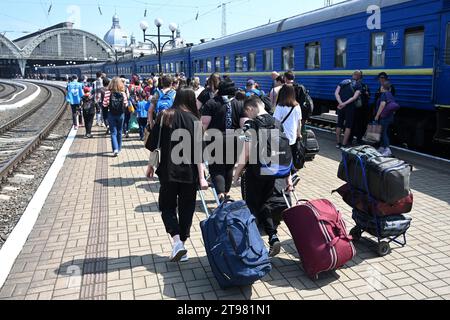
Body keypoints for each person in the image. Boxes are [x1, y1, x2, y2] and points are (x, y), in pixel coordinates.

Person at [146, 87, 208, 262]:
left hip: (167, 171)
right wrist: (202, 177)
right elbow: (199, 153)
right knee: (187, 208)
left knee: (166, 206)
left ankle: (177, 242)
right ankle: (181, 244)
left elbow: (154, 144)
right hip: (189, 174)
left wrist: (151, 165)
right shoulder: (195, 120)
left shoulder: (165, 115)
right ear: (190, 100)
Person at [233, 96, 293, 257]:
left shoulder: (250, 125)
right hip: (273, 171)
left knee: (251, 206)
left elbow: (245, 153)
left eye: (247, 112)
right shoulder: (277, 123)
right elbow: (284, 150)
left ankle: (252, 246)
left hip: (255, 172)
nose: (248, 115)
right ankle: (273, 236)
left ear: (251, 108)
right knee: (266, 203)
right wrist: (288, 177)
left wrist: (236, 175)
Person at [201, 78, 248, 203]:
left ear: (219, 89)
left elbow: (204, 123)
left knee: (216, 168)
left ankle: (221, 195)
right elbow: (245, 124)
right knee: (229, 167)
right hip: (235, 140)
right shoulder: (240, 104)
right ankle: (226, 193)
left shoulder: (211, 103)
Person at [334, 71, 362, 148]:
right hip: (350, 107)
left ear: (353, 75)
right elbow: (354, 97)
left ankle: (338, 143)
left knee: (339, 124)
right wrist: (345, 104)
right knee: (348, 126)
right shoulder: (358, 85)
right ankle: (344, 144)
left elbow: (336, 93)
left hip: (340, 107)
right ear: (359, 77)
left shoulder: (343, 82)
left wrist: (340, 103)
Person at [103, 77, 128, 157]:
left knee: (113, 132)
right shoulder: (123, 93)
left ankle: (115, 149)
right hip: (121, 115)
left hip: (111, 114)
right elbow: (126, 104)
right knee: (120, 132)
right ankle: (119, 148)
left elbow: (104, 105)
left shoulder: (107, 93)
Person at [374, 82, 396, 156]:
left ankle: (387, 149)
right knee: (384, 131)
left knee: (383, 133)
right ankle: (382, 147)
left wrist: (377, 115)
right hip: (389, 116)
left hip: (384, 117)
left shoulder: (384, 94)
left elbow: (382, 105)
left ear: (382, 88)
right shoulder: (390, 94)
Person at [352, 70, 371, 145]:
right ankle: (355, 139)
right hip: (357, 108)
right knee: (356, 124)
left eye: (356, 75)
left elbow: (369, 96)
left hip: (362, 109)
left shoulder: (364, 86)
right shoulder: (352, 85)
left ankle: (357, 139)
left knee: (360, 124)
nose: (355, 76)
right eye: (355, 74)